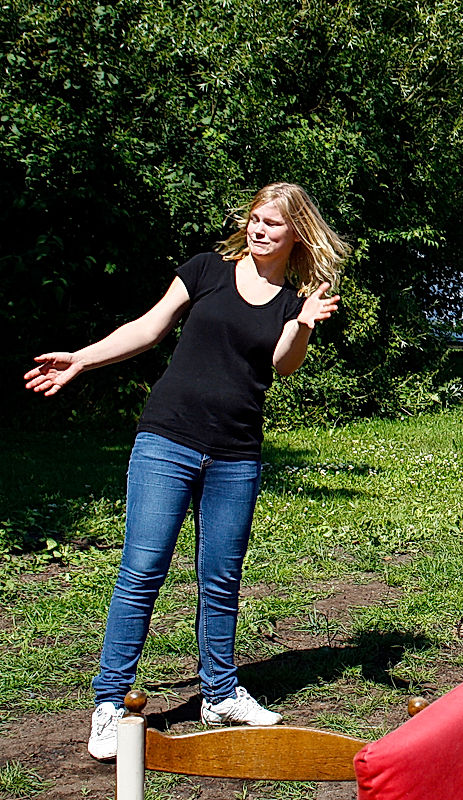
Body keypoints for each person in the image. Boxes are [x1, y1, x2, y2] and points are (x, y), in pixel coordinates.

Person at [23, 183, 350, 759]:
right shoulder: (205, 270)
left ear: (296, 231)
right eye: (255, 219)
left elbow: (283, 365)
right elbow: (146, 329)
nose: (259, 230)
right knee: (142, 570)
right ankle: (108, 703)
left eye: (273, 224)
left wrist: (302, 323)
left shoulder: (295, 298)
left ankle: (220, 693)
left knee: (221, 577)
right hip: (167, 439)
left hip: (236, 452)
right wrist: (82, 358)